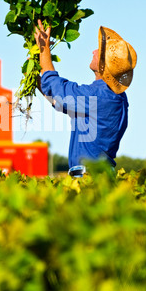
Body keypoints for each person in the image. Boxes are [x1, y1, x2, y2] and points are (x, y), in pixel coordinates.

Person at [34, 20, 137, 177]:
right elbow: (60, 102)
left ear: (104, 65)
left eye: (99, 52)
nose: (94, 51)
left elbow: (57, 88)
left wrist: (44, 48)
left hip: (89, 176)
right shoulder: (114, 96)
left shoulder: (99, 96)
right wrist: (37, 81)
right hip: (98, 174)